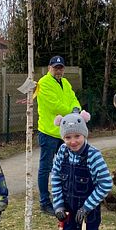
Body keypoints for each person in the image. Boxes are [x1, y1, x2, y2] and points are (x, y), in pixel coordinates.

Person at [35, 55, 81, 215]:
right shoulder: (43, 83)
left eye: (61, 67)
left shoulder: (66, 83)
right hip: (48, 132)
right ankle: (44, 202)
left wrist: (76, 108)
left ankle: (63, 198)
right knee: (45, 167)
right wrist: (72, 111)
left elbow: (73, 98)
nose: (58, 70)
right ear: (49, 68)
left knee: (65, 166)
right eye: (55, 68)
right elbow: (54, 105)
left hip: (64, 133)